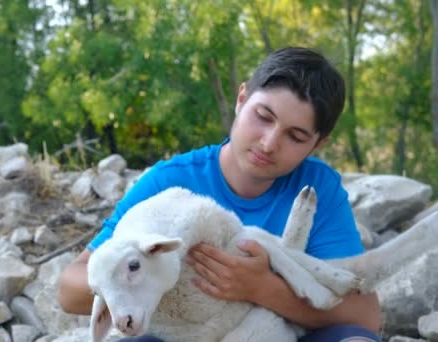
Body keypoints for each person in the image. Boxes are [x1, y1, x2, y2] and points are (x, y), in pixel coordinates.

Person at [57, 47, 382, 341]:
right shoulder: (170, 184)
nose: (269, 143)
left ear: (318, 143)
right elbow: (70, 289)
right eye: (263, 117)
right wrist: (154, 279)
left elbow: (365, 315)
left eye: (295, 136)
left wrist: (260, 289)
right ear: (242, 99)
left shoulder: (318, 188)